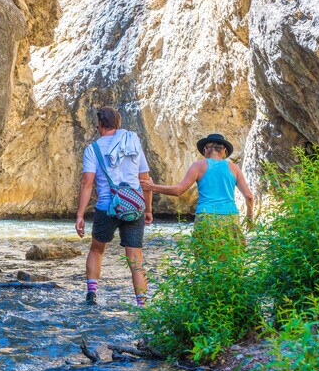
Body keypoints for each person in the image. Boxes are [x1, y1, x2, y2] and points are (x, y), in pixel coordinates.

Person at [75, 106, 153, 306]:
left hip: (106, 207)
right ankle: (142, 304)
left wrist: (80, 215)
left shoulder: (93, 149)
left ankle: (92, 294)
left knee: (97, 250)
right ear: (119, 124)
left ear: (100, 125)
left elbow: (87, 183)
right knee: (135, 259)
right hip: (133, 206)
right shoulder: (133, 142)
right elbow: (145, 179)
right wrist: (149, 209)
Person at [141, 133, 254, 255]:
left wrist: (152, 187)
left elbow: (178, 190)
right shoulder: (234, 168)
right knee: (230, 258)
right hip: (230, 217)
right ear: (224, 151)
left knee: (204, 258)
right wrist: (250, 218)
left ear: (205, 150)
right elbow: (249, 196)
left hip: (206, 217)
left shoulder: (198, 166)